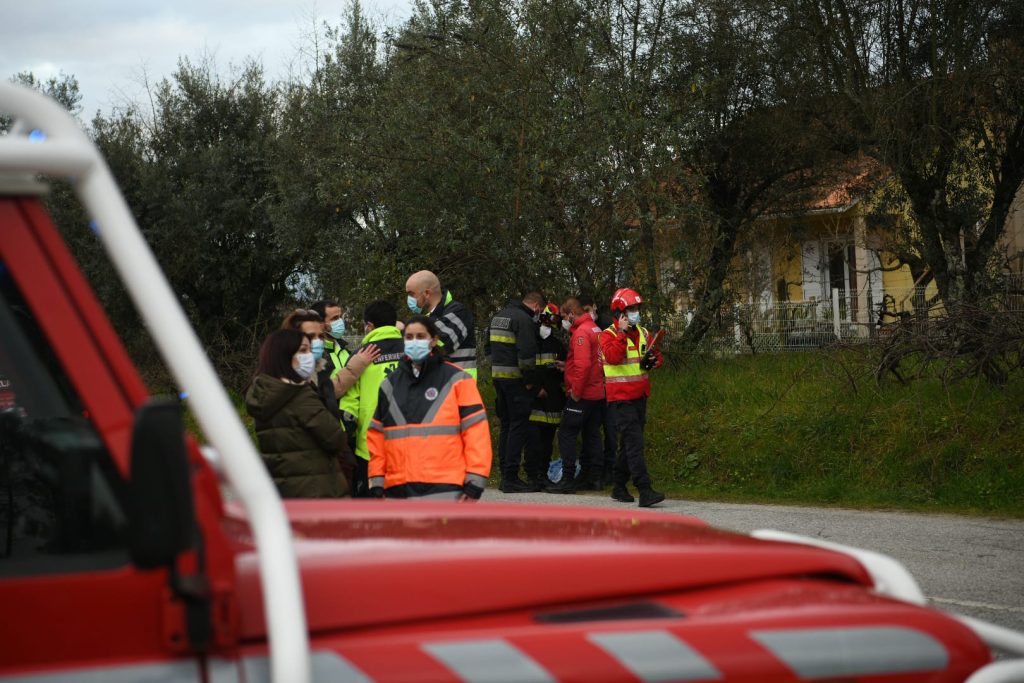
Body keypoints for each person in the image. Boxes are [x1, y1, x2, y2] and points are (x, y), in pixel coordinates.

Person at [367, 315, 492, 500]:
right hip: (398, 490)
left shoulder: (458, 380)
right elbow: (377, 437)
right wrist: (377, 481)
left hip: (445, 488)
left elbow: (476, 432)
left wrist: (475, 480)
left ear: (433, 340)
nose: (414, 342)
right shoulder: (389, 384)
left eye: (420, 336)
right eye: (409, 337)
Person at [244, 328, 350, 498]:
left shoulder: (264, 394)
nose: (309, 356)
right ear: (284, 356)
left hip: (286, 491)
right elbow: (335, 439)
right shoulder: (301, 396)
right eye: (303, 350)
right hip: (318, 491)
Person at [598, 287, 665, 507]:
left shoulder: (644, 332)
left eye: (637, 308)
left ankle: (618, 486)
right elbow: (613, 357)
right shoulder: (607, 335)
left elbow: (656, 356)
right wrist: (622, 333)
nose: (636, 312)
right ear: (620, 313)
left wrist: (653, 362)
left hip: (640, 396)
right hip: (620, 399)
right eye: (632, 309)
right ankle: (644, 490)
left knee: (628, 444)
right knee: (635, 444)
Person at [339, 300, 405, 497]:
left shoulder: (361, 357)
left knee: (370, 507)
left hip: (370, 446)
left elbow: (349, 405)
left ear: (369, 325)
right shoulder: (412, 350)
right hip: (410, 443)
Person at [486, 290, 546, 492]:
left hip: (499, 379)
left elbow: (487, 348)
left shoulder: (498, 316)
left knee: (506, 425)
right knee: (518, 427)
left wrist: (496, 369)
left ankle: (505, 474)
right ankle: (511, 477)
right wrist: (529, 382)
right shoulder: (524, 320)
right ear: (537, 306)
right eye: (540, 310)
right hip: (517, 382)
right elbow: (527, 353)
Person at [547, 297, 605, 494]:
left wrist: (576, 392)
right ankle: (593, 477)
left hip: (583, 393)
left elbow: (583, 366)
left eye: (564, 317)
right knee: (592, 434)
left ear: (571, 313)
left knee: (566, 433)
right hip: (597, 392)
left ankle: (568, 477)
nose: (564, 321)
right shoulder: (595, 329)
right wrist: (567, 366)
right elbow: (592, 362)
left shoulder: (581, 332)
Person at [405, 270, 478, 378]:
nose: (409, 299)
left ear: (427, 293)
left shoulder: (459, 312)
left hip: (459, 382)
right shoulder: (429, 317)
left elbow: (439, 344)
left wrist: (402, 332)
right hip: (441, 383)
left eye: (411, 294)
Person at [525, 303, 566, 486]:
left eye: (554, 320)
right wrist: (535, 389)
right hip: (534, 400)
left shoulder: (558, 345)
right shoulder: (530, 341)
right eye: (549, 318)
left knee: (547, 441)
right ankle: (532, 475)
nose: (550, 323)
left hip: (553, 400)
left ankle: (543, 475)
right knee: (533, 441)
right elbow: (525, 368)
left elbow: (565, 371)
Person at [581, 290, 617, 487]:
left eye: (588, 309)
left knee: (611, 431)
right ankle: (593, 470)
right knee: (591, 430)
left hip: (610, 386)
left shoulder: (607, 326)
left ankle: (609, 471)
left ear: (594, 307)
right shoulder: (584, 328)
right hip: (595, 388)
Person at [310, 299, 381, 398]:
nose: (340, 322)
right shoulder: (314, 356)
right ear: (320, 323)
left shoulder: (346, 350)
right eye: (335, 318)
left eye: (340, 317)